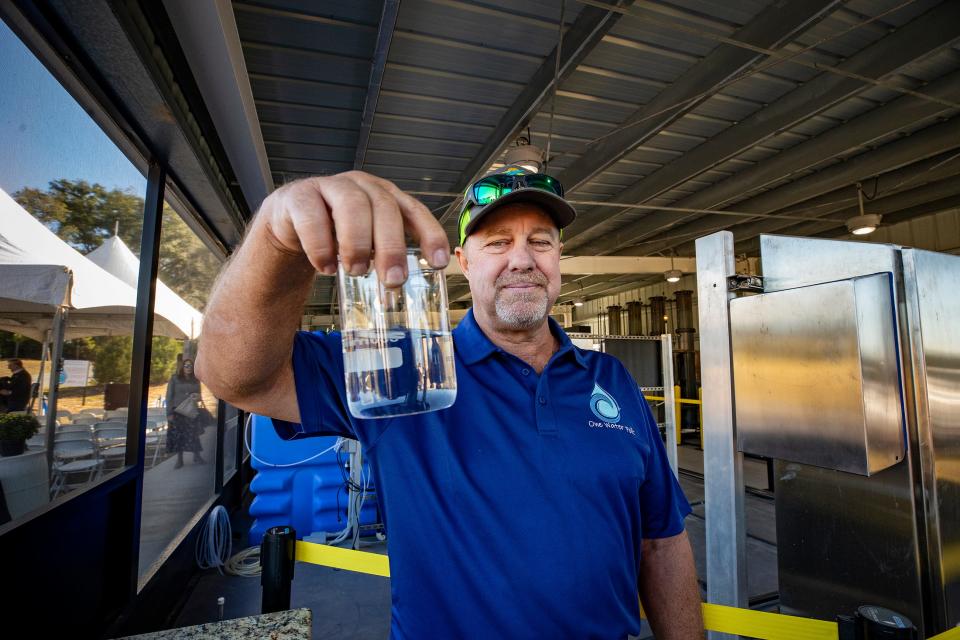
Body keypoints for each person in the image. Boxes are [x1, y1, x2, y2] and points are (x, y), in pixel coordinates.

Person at [197, 169, 703, 638]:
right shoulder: (403, 369)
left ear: (558, 259)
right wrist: (276, 237)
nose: (523, 259)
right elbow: (235, 376)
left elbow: (661, 541)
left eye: (540, 242)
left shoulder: (610, 380)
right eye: (499, 242)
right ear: (463, 261)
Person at [165, 358, 206, 468]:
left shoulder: (195, 380)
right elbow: (169, 397)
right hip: (177, 411)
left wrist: (196, 397)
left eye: (191, 366)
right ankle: (179, 460)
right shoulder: (174, 378)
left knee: (194, 435)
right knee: (179, 435)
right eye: (186, 366)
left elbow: (199, 396)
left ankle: (197, 456)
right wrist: (169, 413)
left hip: (191, 411)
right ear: (182, 367)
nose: (189, 368)